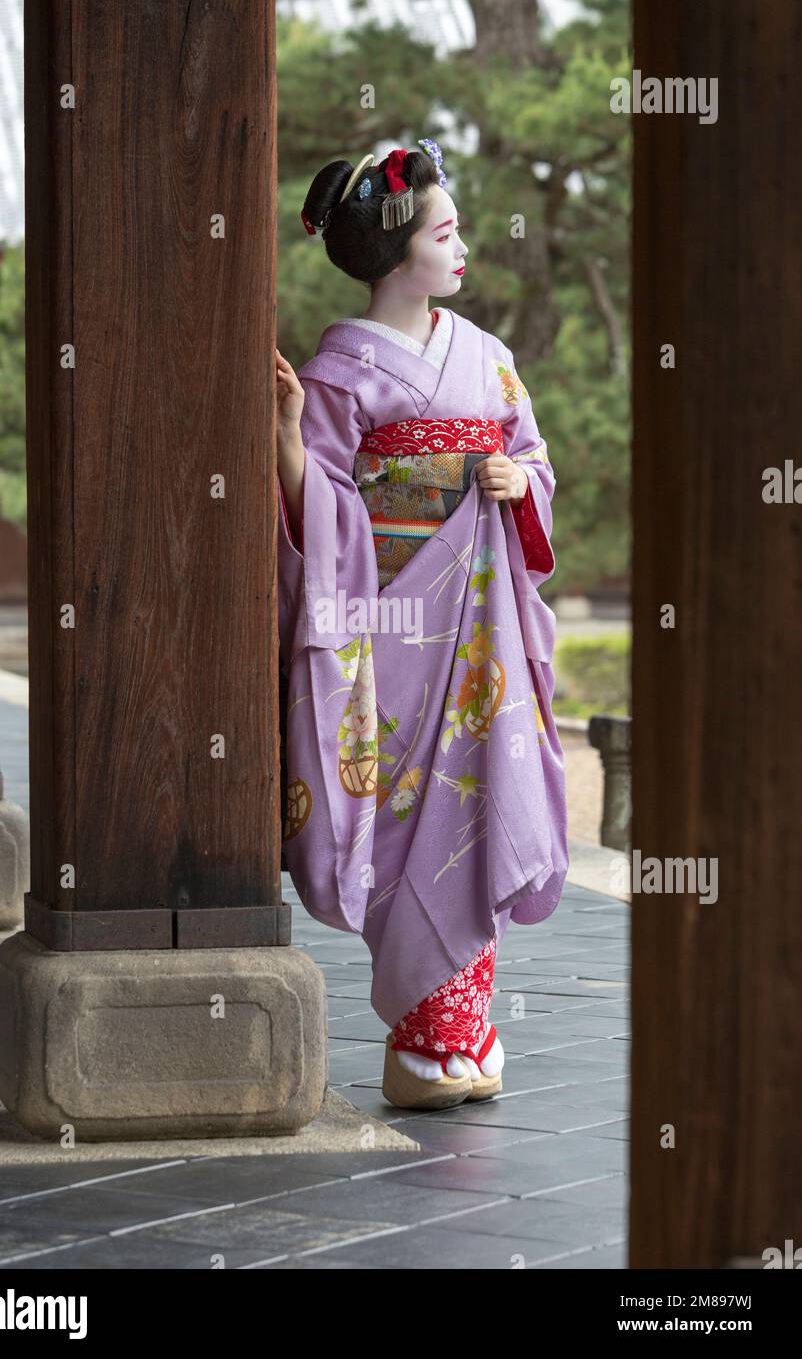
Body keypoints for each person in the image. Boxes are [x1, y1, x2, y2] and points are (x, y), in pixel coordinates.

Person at [275, 141, 568, 1110]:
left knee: (475, 791)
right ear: (397, 254)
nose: (462, 247)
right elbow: (317, 499)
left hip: (474, 620)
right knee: (404, 806)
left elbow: (530, 456)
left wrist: (515, 481)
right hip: (390, 622)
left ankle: (463, 1034)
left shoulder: (487, 358)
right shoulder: (335, 372)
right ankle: (421, 1040)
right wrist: (284, 444)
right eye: (446, 233)